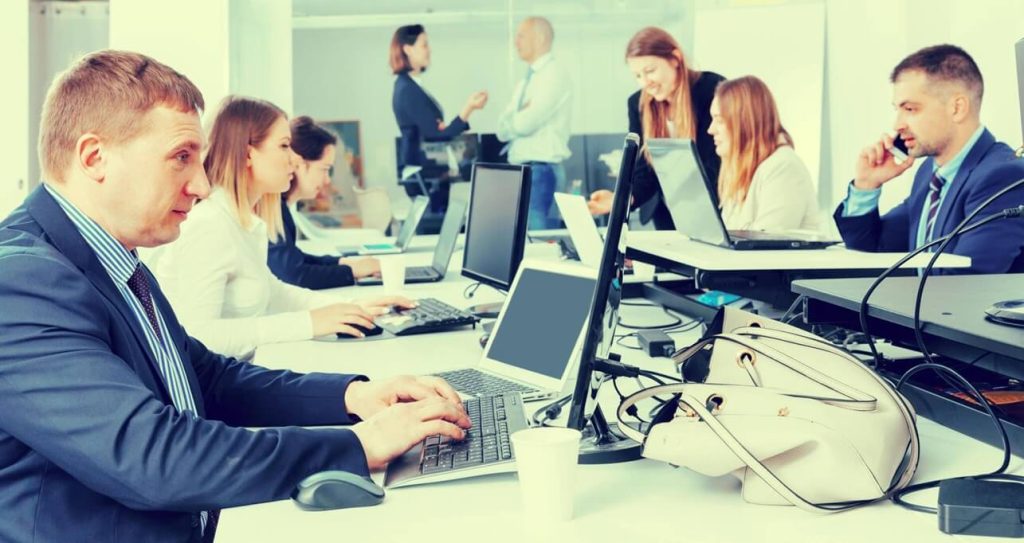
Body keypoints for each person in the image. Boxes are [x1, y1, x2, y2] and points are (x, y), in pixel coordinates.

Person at [0, 49, 469, 543]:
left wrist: (354, 396)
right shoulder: (22, 283)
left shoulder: (113, 256)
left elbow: (204, 375)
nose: (202, 185)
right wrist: (357, 445)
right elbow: (152, 458)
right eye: (181, 158)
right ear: (95, 158)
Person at [146, 96, 409, 359]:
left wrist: (352, 307)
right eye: (284, 146)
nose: (295, 160)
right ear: (248, 153)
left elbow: (274, 293)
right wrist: (310, 323)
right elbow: (198, 336)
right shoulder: (210, 226)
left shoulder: (244, 224)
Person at [834, 44, 1024, 274]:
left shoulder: (1002, 177)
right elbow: (873, 247)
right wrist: (866, 185)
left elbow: (967, 282)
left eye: (910, 109)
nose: (897, 125)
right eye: (898, 109)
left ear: (957, 107)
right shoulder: (930, 175)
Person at [588, 26, 725, 229]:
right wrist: (621, 199)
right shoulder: (638, 104)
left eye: (650, 71)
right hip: (666, 211)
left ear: (675, 59)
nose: (645, 83)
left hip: (713, 208)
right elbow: (645, 168)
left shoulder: (712, 89)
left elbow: (716, 161)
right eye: (637, 76)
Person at [268, 116, 380, 289]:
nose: (327, 180)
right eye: (325, 169)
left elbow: (295, 259)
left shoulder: (281, 208)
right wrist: (350, 271)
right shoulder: (272, 209)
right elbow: (295, 274)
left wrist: (344, 262)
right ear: (300, 164)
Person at [390, 23, 488, 208]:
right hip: (424, 175)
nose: (429, 50)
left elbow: (434, 131)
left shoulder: (409, 87)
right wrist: (469, 108)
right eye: (424, 45)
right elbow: (436, 135)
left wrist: (439, 128)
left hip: (427, 175)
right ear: (408, 49)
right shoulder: (407, 89)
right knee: (435, 229)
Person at [707, 76, 820, 231]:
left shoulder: (783, 168)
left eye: (719, 121)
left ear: (744, 122)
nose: (711, 130)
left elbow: (764, 246)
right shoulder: (741, 170)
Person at [496, 16, 573, 230]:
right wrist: (518, 115)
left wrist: (517, 117)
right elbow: (501, 128)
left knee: (539, 245)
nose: (515, 42)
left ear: (539, 39)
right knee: (526, 243)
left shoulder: (553, 75)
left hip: (541, 173)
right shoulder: (527, 80)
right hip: (526, 171)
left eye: (521, 36)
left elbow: (524, 124)